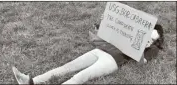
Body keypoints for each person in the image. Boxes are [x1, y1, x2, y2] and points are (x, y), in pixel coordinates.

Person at [12, 15, 164, 84]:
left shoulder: (152, 49)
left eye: (152, 39)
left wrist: (139, 49)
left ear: (156, 41)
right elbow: (111, 31)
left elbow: (142, 63)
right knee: (66, 68)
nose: (149, 39)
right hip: (101, 50)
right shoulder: (131, 34)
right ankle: (31, 81)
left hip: (113, 61)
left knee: (78, 78)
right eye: (148, 35)